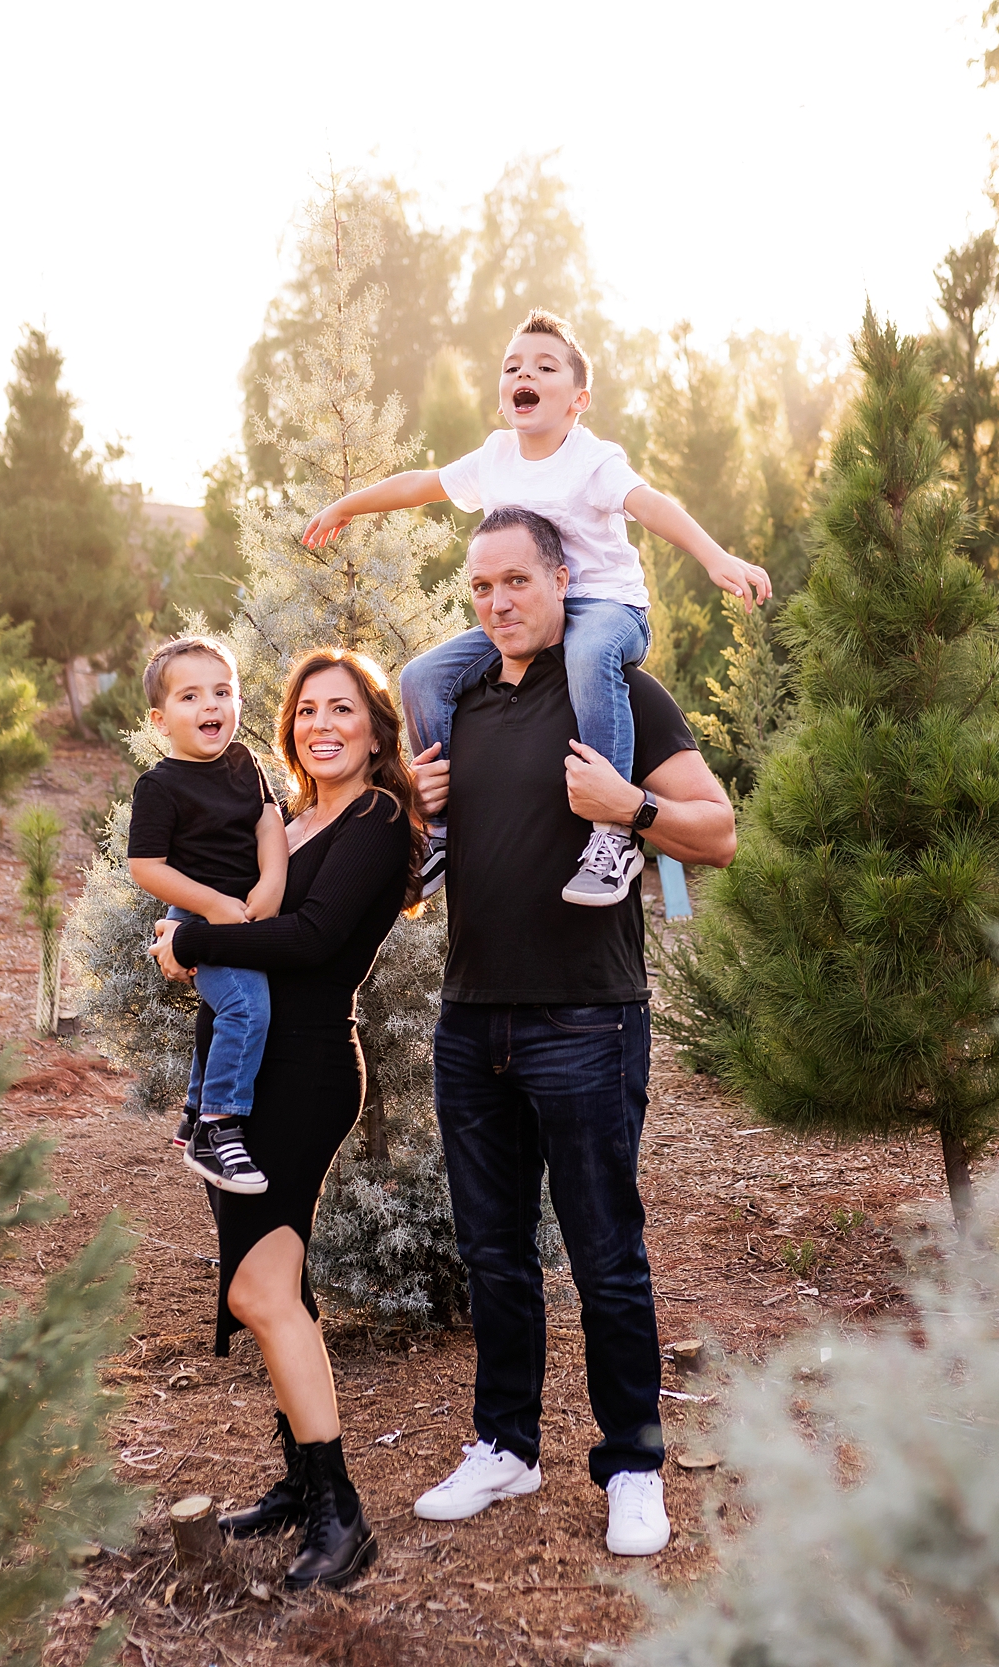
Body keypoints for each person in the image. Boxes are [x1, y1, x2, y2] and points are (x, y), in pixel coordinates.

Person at [404, 508, 739, 1558]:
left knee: (605, 1255)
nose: (498, 603)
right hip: (472, 1019)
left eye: (516, 580)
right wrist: (418, 805)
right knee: (493, 1252)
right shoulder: (456, 700)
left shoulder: (619, 694)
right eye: (480, 589)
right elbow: (424, 865)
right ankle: (504, 1444)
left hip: (586, 1018)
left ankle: (632, 1463)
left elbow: (719, 832)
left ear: (561, 579)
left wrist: (627, 803)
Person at [300, 308, 769, 908]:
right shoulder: (495, 458)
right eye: (513, 366)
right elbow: (420, 484)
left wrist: (712, 555)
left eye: (546, 366)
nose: (526, 373)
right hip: (533, 613)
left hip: (605, 609)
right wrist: (345, 506)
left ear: (579, 398)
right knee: (422, 676)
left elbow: (650, 505)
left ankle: (611, 835)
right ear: (504, 396)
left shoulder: (591, 461)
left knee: (588, 653)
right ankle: (440, 833)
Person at [149, 648, 424, 1593]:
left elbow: (308, 942)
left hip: (303, 1069)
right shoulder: (295, 818)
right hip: (241, 1072)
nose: (323, 725)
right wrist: (194, 933)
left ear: (376, 727)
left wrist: (193, 939)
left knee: (262, 1292)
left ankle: (342, 1514)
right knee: (277, 1290)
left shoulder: (382, 822)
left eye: (343, 709)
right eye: (307, 711)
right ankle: (304, 1483)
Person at [125, 636, 288, 1195]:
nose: (211, 706)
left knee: (226, 1010)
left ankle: (196, 1109)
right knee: (246, 1009)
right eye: (190, 697)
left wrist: (271, 883)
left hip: (248, 906)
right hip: (198, 913)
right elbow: (145, 867)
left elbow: (268, 822)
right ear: (160, 719)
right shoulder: (160, 786)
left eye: (223, 691)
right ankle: (219, 1126)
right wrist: (212, 906)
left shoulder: (245, 762)